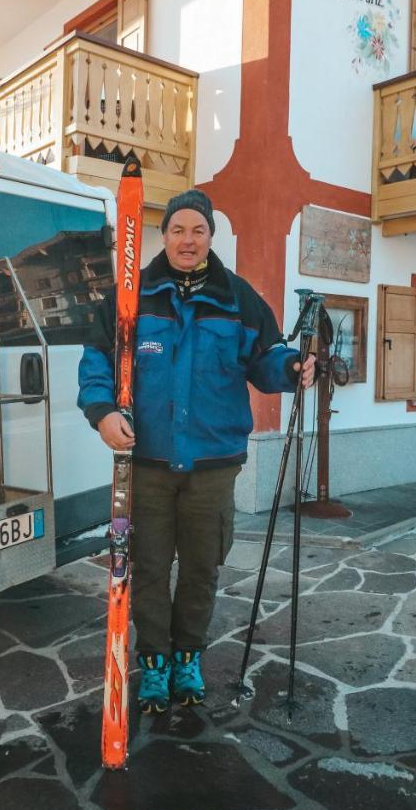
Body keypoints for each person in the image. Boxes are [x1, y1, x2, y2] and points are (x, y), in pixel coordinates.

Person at [77, 188, 315, 712]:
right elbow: (96, 361)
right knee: (151, 567)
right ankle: (156, 662)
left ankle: (189, 657)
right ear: (164, 236)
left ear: (211, 236)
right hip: (149, 464)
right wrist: (102, 412)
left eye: (198, 230)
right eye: (179, 230)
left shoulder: (238, 298)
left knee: (202, 567)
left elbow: (266, 359)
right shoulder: (131, 295)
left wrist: (292, 369)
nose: (188, 240)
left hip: (212, 466)